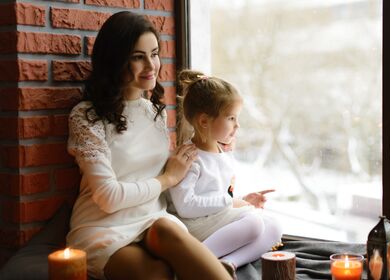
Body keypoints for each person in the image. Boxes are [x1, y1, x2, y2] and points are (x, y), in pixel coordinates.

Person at [66, 11, 232, 280]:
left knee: (171, 232)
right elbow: (107, 198)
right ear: (115, 60)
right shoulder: (86, 117)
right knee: (158, 273)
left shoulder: (154, 111)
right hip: (104, 227)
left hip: (154, 218)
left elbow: (163, 174)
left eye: (154, 53)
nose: (151, 65)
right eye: (137, 56)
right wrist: (168, 178)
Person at [168, 69, 283, 276]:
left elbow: (220, 196)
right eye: (231, 118)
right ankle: (195, 261)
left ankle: (228, 264)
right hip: (194, 225)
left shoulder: (221, 151)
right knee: (254, 222)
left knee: (273, 225)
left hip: (213, 218)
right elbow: (185, 207)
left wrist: (243, 200)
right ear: (204, 121)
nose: (237, 125)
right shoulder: (190, 158)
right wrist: (231, 202)